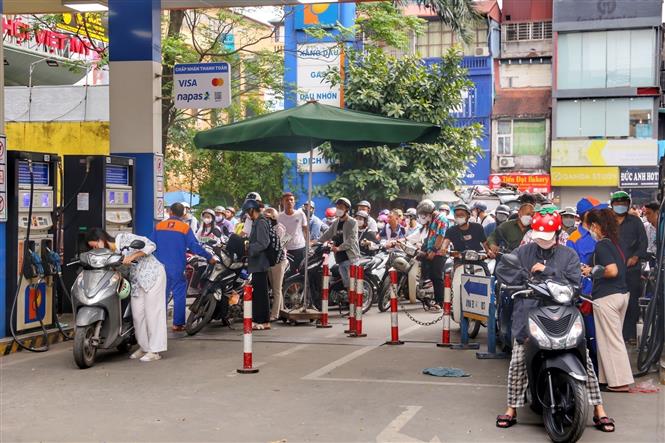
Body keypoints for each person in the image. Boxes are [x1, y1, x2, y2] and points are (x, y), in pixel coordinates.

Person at [495, 210, 613, 432]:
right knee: (518, 360)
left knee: (585, 359)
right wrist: (524, 278)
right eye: (539, 236)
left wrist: (547, 271)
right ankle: (511, 408)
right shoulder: (524, 251)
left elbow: (575, 282)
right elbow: (504, 269)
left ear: (558, 233)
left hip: (563, 313)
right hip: (528, 313)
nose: (543, 240)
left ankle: (599, 409)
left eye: (547, 236)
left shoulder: (569, 255)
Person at [86, 228, 167, 362]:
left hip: (153, 275)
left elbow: (151, 245)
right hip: (136, 281)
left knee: (153, 313)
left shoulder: (124, 239)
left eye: (95, 246)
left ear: (101, 239)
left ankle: (155, 351)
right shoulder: (109, 254)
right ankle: (144, 347)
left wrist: (132, 256)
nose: (95, 249)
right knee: (137, 315)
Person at [584, 208, 635, 393]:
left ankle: (620, 382)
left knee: (611, 341)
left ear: (596, 226)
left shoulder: (602, 245)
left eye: (590, 226)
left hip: (607, 297)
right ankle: (607, 379)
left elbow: (612, 270)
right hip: (621, 295)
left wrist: (591, 271)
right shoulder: (616, 244)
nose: (590, 230)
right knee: (608, 340)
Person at [152, 203, 215, 332]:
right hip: (177, 267)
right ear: (183, 214)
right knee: (179, 293)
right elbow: (194, 246)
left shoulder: (159, 226)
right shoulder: (184, 228)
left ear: (170, 212)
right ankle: (178, 324)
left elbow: (150, 243)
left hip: (160, 266)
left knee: (161, 294)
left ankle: (158, 323)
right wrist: (209, 257)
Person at [610, 191, 648, 342]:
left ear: (628, 205)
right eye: (617, 203)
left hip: (632, 269)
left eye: (623, 203)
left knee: (632, 303)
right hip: (613, 270)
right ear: (612, 205)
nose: (620, 206)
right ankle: (617, 335)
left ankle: (631, 335)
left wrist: (636, 257)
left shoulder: (635, 222)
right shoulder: (608, 222)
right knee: (615, 302)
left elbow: (643, 242)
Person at [318, 198, 359, 291]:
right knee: (347, 284)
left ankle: (355, 300)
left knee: (353, 285)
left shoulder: (352, 222)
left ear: (347, 209)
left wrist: (339, 248)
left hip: (350, 258)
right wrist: (317, 242)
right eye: (337, 207)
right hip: (340, 258)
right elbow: (328, 234)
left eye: (341, 207)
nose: (338, 209)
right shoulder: (336, 222)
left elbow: (351, 240)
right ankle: (349, 300)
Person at [244, 199, 272, 330]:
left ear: (251, 210)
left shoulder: (261, 222)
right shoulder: (257, 221)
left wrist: (249, 248)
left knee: (261, 294)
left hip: (260, 263)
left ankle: (264, 321)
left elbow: (263, 243)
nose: (247, 214)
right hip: (256, 263)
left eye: (247, 211)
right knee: (258, 293)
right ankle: (258, 320)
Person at [417, 199, 448, 311]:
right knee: (431, 277)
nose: (424, 216)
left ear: (430, 211)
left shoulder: (441, 218)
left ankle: (440, 302)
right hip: (430, 251)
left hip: (438, 253)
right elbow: (430, 236)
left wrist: (434, 251)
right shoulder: (433, 220)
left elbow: (441, 236)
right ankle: (433, 299)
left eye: (425, 214)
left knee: (437, 277)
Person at [264, 207, 287, 322]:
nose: (266, 220)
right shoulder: (267, 228)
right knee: (275, 288)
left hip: (279, 261)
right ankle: (281, 311)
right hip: (270, 261)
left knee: (277, 289)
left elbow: (279, 245)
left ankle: (275, 314)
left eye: (269, 218)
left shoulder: (279, 228)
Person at [278, 192, 309, 270]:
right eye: (287, 200)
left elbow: (306, 230)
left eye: (291, 200)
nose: (289, 202)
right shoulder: (279, 217)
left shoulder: (300, 214)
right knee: (289, 272)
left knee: (302, 271)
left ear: (294, 202)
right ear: (282, 202)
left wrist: (308, 244)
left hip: (300, 247)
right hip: (286, 250)